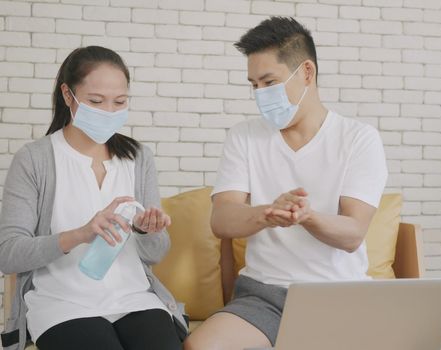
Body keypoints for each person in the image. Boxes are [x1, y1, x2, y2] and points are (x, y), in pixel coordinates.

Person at [185, 17, 388, 350]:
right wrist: (267, 213)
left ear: (306, 72)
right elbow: (221, 220)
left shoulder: (358, 139)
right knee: (201, 346)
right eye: (254, 85)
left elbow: (352, 234)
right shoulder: (244, 137)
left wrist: (306, 216)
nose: (261, 95)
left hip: (339, 296)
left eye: (269, 82)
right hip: (263, 296)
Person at [0, 46, 187, 350]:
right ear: (67, 94)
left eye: (120, 102)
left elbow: (156, 254)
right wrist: (80, 234)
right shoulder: (35, 160)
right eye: (96, 101)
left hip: (134, 298)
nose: (109, 112)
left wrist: (145, 230)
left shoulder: (139, 157)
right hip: (62, 304)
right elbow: (8, 254)